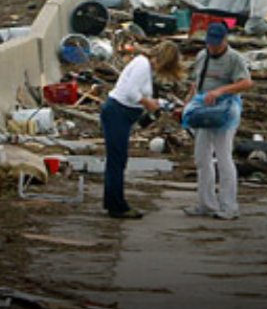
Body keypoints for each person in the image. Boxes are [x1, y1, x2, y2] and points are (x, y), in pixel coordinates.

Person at [100, 41, 183, 219]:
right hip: (118, 113)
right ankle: (117, 206)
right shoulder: (142, 65)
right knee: (117, 160)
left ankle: (113, 202)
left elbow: (137, 92)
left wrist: (154, 102)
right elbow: (131, 92)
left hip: (121, 114)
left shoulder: (143, 65)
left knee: (118, 159)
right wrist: (148, 103)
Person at [184, 22, 253, 220]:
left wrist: (221, 91)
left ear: (225, 40)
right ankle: (206, 204)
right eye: (210, 43)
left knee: (223, 157)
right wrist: (190, 99)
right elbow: (196, 81)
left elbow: (246, 82)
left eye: (216, 43)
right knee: (202, 157)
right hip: (203, 109)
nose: (213, 47)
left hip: (225, 111)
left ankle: (229, 206)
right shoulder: (202, 56)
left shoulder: (234, 58)